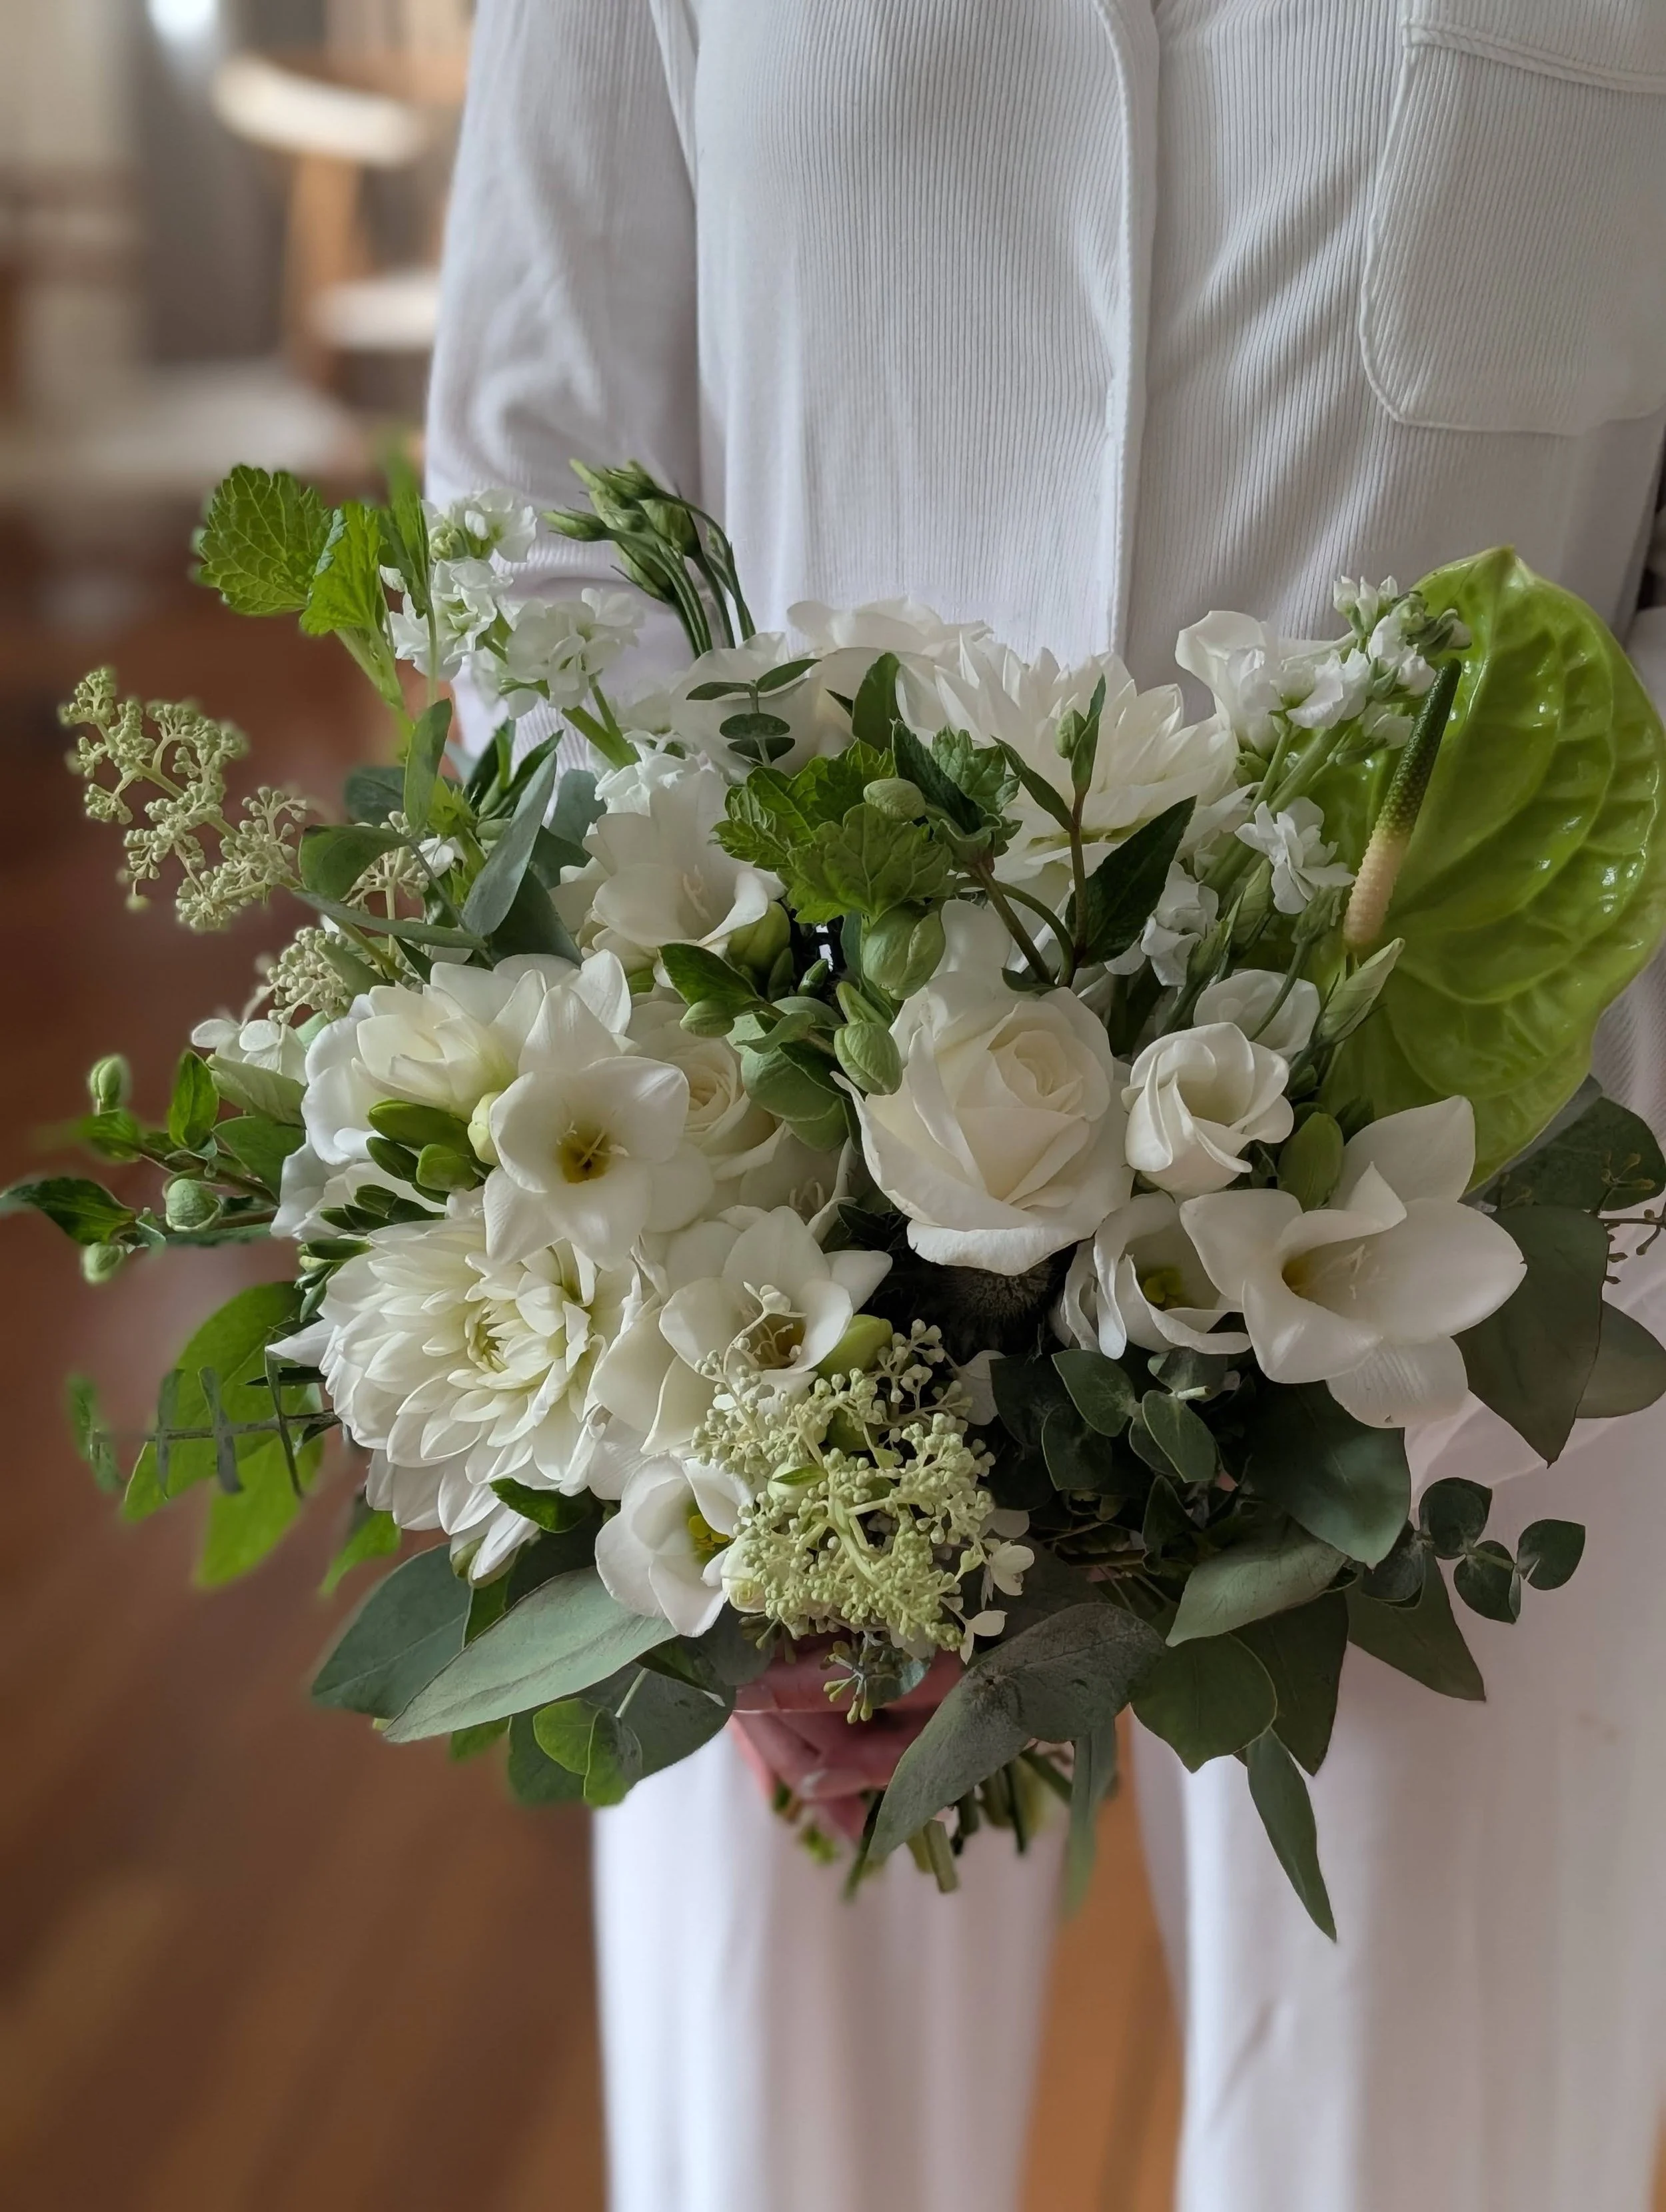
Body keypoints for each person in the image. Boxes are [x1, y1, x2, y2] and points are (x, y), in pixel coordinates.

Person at [426, 5, 1666, 2209]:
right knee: (784, 2137)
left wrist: (1523, 1117)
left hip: (1467, 1230)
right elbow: (542, 506)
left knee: (1435, 2128)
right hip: (769, 1277)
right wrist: (686, 1186)